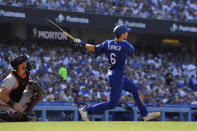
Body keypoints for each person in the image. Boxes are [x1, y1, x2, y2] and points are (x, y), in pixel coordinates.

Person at [74, 24, 160, 121]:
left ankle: (145, 115)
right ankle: (86, 110)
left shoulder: (107, 43)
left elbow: (94, 48)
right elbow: (132, 49)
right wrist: (125, 42)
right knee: (112, 104)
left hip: (113, 74)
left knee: (135, 90)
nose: (127, 33)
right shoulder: (125, 45)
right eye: (125, 32)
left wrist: (82, 44)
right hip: (117, 76)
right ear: (122, 34)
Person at [0, 54, 43, 122]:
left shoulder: (25, 73)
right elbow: (2, 95)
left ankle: (24, 114)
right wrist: (14, 105)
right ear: (19, 65)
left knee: (36, 88)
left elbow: (22, 85)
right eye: (24, 61)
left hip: (15, 100)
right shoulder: (11, 78)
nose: (27, 62)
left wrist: (31, 85)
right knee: (16, 117)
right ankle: (4, 117)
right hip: (4, 104)